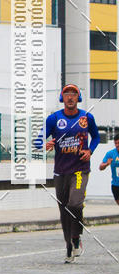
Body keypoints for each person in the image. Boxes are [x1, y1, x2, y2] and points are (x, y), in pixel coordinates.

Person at [39, 84, 100, 263]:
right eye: (67, 94)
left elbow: (95, 137)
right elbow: (38, 139)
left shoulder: (87, 117)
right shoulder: (53, 119)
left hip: (80, 169)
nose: (70, 97)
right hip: (60, 172)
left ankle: (76, 237)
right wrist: (44, 144)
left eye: (74, 93)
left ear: (78, 97)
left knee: (75, 203)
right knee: (64, 209)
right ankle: (68, 245)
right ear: (62, 97)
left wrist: (90, 151)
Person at [99, 134, 119, 206]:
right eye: (115, 143)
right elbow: (100, 167)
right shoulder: (110, 153)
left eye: (118, 143)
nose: (117, 145)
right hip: (115, 184)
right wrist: (107, 164)